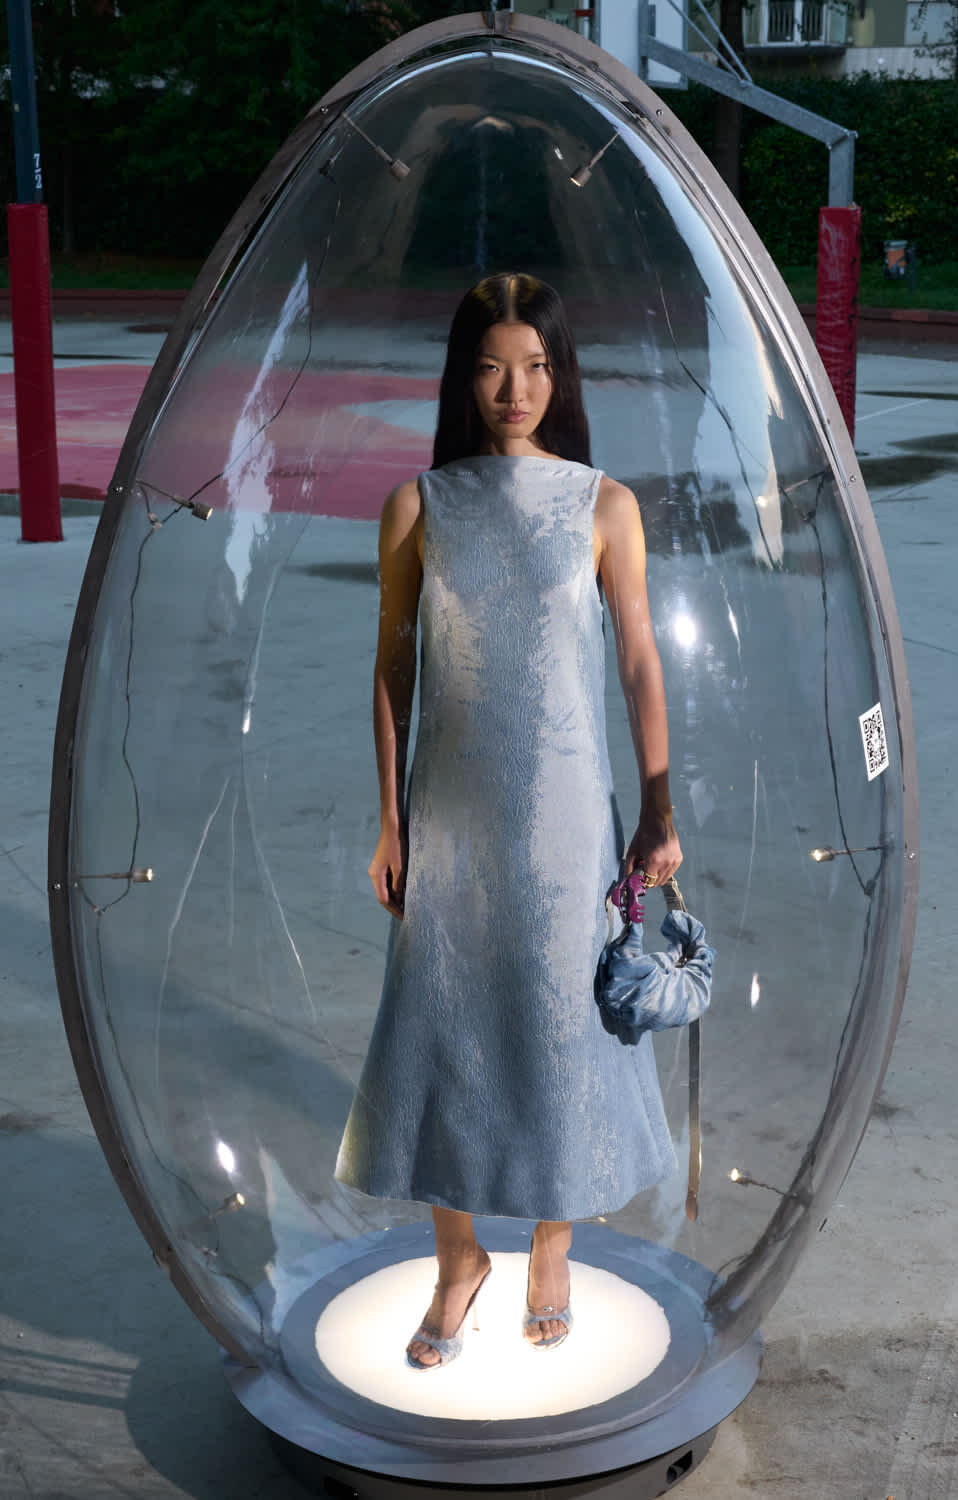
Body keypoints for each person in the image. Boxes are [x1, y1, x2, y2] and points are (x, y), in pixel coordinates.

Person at [335, 272, 682, 1370]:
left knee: (552, 1025)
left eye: (536, 364)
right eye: (491, 364)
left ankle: (546, 1250)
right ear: (462, 375)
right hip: (450, 813)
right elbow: (392, 670)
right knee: (442, 1023)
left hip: (568, 818)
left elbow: (635, 656)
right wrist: (390, 821)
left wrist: (659, 798)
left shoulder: (602, 505)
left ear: (559, 373)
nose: (514, 386)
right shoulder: (419, 506)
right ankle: (456, 1263)